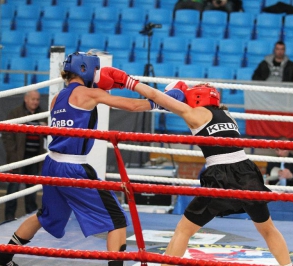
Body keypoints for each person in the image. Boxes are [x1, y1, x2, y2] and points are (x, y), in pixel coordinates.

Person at [0, 51, 185, 266]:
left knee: (44, 216)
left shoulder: (55, 99)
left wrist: (102, 88)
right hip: (73, 168)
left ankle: (4, 258)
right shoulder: (88, 95)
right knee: (116, 219)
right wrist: (161, 103)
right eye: (95, 70)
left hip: (51, 164)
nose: (97, 74)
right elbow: (133, 106)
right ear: (85, 69)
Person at [107, 79, 290, 265]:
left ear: (195, 97)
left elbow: (154, 97)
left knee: (184, 230)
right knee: (268, 229)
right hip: (247, 170)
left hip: (221, 175)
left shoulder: (193, 114)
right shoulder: (227, 115)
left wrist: (129, 81)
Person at [2, 90, 47, 222]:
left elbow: (48, 136)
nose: (35, 102)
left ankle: (31, 219)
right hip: (18, 158)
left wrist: (46, 128)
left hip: (34, 158)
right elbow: (7, 134)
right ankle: (9, 218)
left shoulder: (42, 115)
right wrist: (13, 153)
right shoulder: (16, 113)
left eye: (37, 99)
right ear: (26, 99)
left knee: (31, 191)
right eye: (33, 99)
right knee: (13, 189)